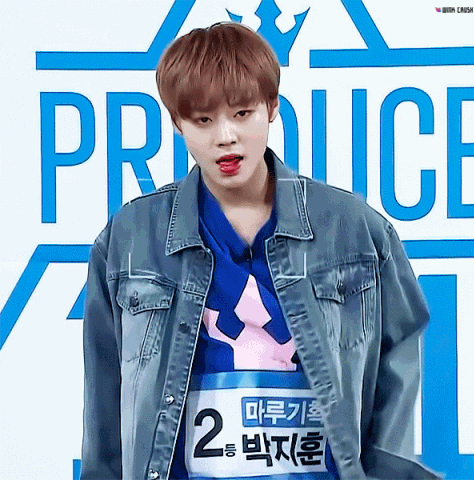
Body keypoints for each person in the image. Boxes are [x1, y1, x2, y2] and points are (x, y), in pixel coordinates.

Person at [80, 22, 443, 480]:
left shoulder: (355, 230)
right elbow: (105, 402)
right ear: (176, 123)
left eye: (242, 113)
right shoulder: (130, 239)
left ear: (272, 108)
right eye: (202, 120)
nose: (225, 137)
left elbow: (397, 371)